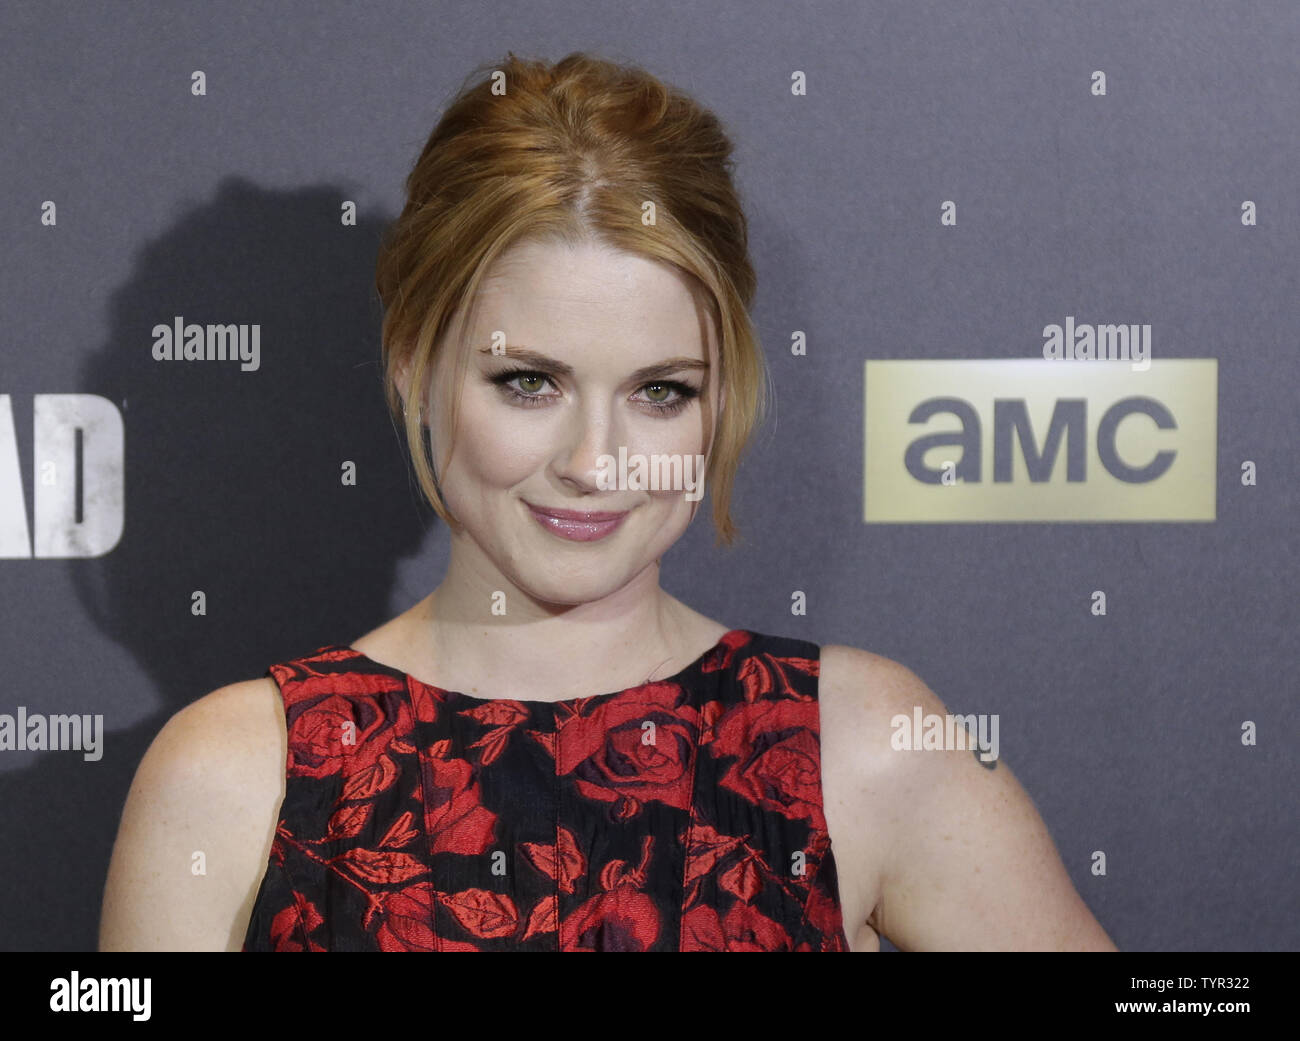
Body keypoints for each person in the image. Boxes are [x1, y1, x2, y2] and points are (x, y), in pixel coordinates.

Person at [99, 51, 1116, 952]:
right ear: (412, 366)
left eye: (660, 391)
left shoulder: (861, 743)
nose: (598, 461)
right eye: (528, 383)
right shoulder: (236, 777)